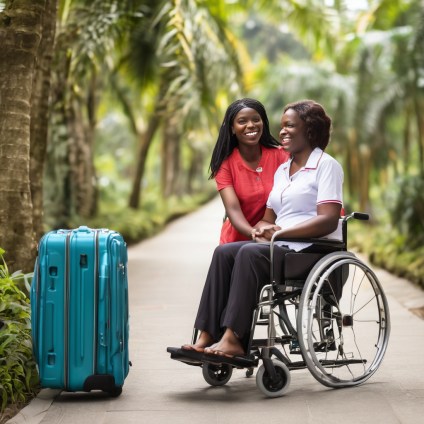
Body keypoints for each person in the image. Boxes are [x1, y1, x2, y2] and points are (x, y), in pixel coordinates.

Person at [183, 100, 344, 358]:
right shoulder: (283, 170)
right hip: (284, 245)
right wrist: (260, 230)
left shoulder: (327, 166)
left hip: (312, 249)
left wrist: (279, 233)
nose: (282, 132)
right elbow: (268, 218)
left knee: (249, 254)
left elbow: (328, 220)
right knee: (224, 253)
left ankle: (233, 338)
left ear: (310, 130)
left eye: (290, 126)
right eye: (282, 126)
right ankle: (207, 333)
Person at [209, 98, 289, 245]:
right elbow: (232, 209)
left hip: (276, 240)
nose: (251, 125)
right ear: (232, 128)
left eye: (256, 120)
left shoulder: (283, 156)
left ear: (263, 123)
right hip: (236, 241)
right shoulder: (225, 164)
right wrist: (254, 233)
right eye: (242, 121)